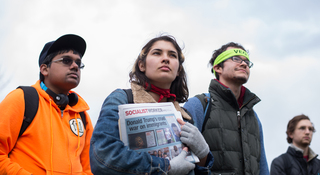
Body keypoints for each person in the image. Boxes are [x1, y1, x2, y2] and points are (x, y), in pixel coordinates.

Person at [90, 35, 213, 175]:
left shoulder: (185, 117)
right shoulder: (122, 99)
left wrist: (203, 154)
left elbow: (196, 170)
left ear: (178, 70)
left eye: (172, 55)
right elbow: (103, 158)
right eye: (157, 53)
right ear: (141, 65)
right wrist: (165, 167)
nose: (165, 58)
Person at [0, 34, 93, 174]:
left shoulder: (81, 114)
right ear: (44, 69)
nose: (75, 66)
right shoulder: (22, 99)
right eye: (67, 60)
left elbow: (89, 168)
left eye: (78, 63)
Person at [183, 42, 269, 174]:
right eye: (236, 59)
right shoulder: (199, 105)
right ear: (218, 68)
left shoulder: (253, 116)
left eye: (247, 62)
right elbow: (184, 161)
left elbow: (262, 166)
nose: (244, 64)